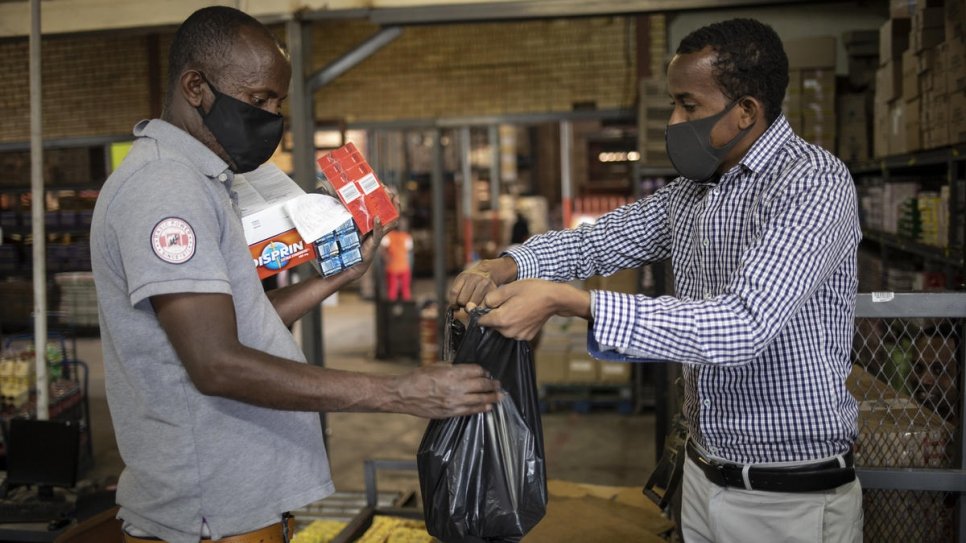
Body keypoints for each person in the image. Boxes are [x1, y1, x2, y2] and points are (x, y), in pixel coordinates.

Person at [90, 7, 499, 543]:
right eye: (259, 99)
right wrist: (399, 393)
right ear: (195, 86)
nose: (271, 117)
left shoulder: (201, 181)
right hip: (209, 514)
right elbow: (216, 363)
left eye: (277, 103)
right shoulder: (166, 188)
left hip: (236, 505)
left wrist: (335, 279)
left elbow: (232, 326)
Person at [450, 18, 862, 543]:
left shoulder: (811, 183)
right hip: (701, 473)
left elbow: (744, 324)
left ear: (746, 111)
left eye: (688, 106)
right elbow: (595, 241)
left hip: (787, 499)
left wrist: (574, 304)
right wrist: (506, 264)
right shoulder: (693, 191)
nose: (673, 120)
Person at [380, 216, 414, 301]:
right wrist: (387, 259)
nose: (403, 225)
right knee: (394, 290)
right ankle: (393, 309)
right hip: (394, 268)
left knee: (404, 290)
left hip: (402, 267)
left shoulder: (406, 237)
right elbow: (382, 250)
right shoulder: (390, 236)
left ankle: (403, 308)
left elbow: (409, 253)